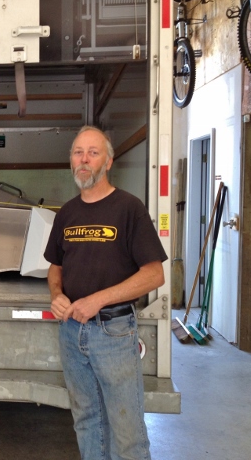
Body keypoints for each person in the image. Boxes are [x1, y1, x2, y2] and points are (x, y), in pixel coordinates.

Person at [43, 125, 167, 460]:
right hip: (71, 331)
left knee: (127, 432)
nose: (84, 160)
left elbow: (154, 275)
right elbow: (55, 267)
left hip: (113, 331)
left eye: (93, 152)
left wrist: (99, 299)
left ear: (108, 162)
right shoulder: (67, 213)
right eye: (78, 153)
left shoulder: (129, 209)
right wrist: (56, 294)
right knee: (86, 420)